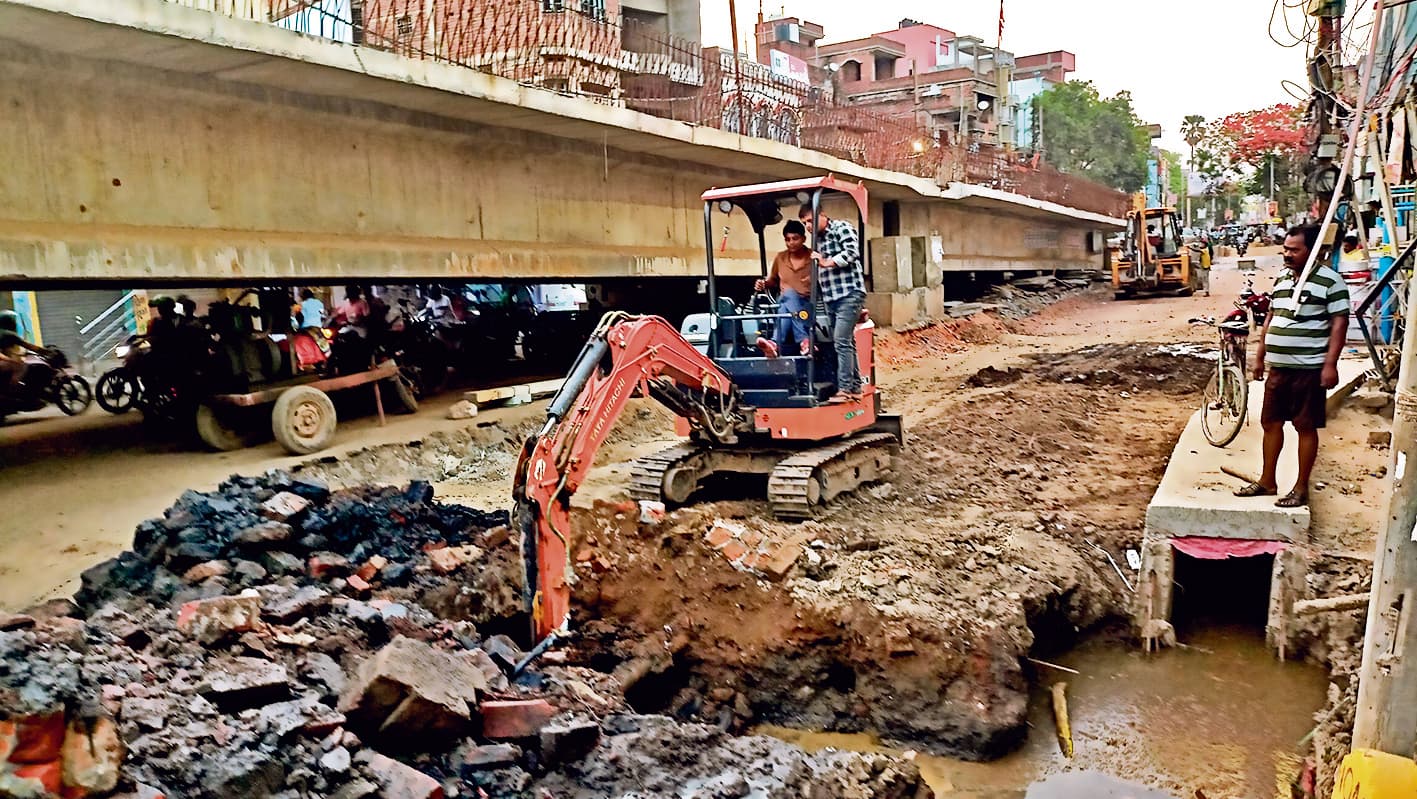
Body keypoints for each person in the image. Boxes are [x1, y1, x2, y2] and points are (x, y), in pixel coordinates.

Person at [1234, 225, 1350, 508]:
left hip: (1309, 369)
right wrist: (1260, 356)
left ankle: (1300, 488)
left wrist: (1330, 365)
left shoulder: (1330, 282)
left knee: (1304, 426)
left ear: (1313, 252)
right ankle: (1267, 481)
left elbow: (1339, 324)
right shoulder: (1283, 279)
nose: (1287, 254)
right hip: (1279, 368)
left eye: (1294, 250)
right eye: (1286, 249)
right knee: (1270, 422)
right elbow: (1271, 319)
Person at [798, 205, 866, 403]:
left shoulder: (841, 228)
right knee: (847, 342)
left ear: (822, 215)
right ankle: (855, 388)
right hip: (830, 297)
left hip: (849, 293)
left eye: (810, 221)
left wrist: (827, 262)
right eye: (804, 223)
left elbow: (852, 252)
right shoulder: (816, 240)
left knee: (841, 341)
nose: (808, 226)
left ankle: (844, 389)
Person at [754, 220, 813, 358]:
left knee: (785, 305)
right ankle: (804, 340)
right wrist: (763, 284)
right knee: (787, 298)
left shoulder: (813, 257)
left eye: (795, 239)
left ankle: (774, 343)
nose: (791, 242)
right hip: (784, 300)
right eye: (787, 239)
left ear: (803, 239)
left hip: (806, 307)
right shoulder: (780, 258)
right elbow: (772, 281)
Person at [0, 310, 50, 392]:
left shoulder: (3, 334)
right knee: (22, 366)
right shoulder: (8, 334)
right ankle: (14, 390)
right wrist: (44, 351)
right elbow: (28, 346)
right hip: (2, 363)